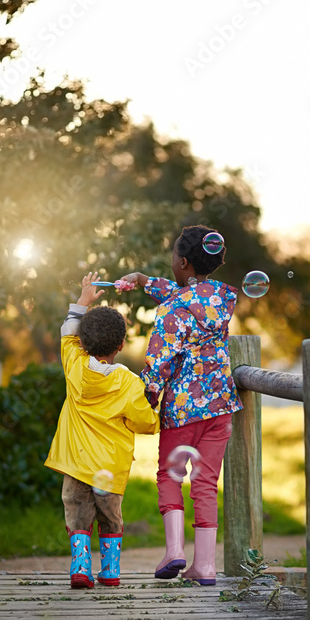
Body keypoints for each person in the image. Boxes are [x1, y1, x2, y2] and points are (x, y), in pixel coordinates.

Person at [122, 225, 242, 585]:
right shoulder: (220, 300)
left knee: (170, 474)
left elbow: (159, 359)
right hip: (220, 405)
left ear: (184, 262)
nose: (171, 261)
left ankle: (174, 551)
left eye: (174, 255)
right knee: (206, 481)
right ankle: (204, 567)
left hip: (183, 408)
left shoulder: (172, 310)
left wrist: (149, 393)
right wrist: (145, 280)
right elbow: (185, 294)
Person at [45, 272, 159, 589]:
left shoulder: (75, 366)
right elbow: (146, 423)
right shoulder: (128, 382)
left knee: (77, 515)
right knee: (110, 517)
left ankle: (80, 568)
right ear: (121, 345)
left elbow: (67, 334)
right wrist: (153, 405)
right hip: (111, 466)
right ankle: (110, 572)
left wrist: (83, 300)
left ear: (82, 343)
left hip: (76, 463)